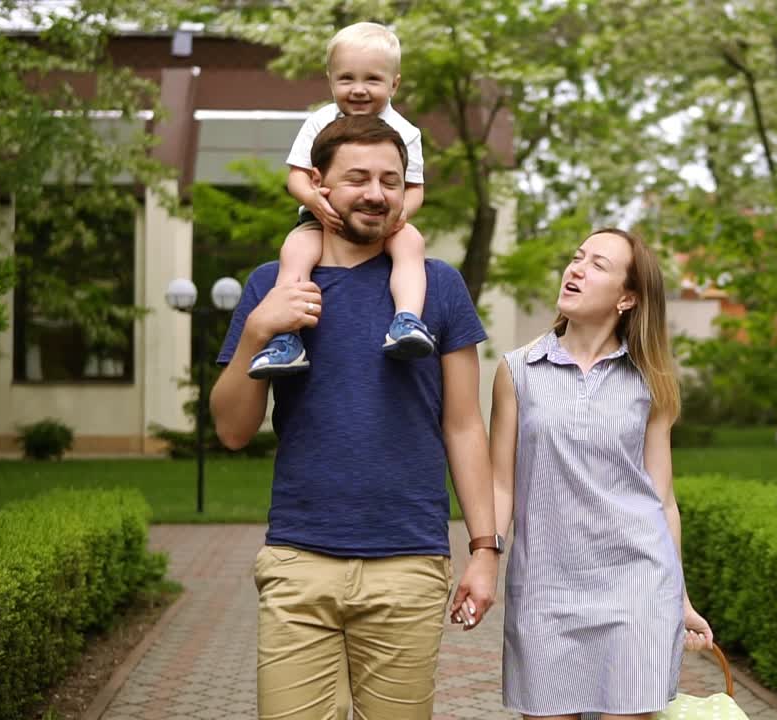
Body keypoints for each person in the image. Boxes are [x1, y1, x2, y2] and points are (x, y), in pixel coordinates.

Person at [211, 114, 501, 720]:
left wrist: (483, 549)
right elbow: (232, 430)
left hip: (408, 562)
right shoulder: (273, 283)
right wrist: (259, 330)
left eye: (391, 181)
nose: (376, 193)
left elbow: (464, 425)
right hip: (299, 562)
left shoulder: (437, 287)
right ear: (319, 184)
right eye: (358, 178)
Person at [467, 228, 714, 720]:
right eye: (577, 258)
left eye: (598, 265)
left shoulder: (651, 381)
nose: (576, 269)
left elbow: (662, 499)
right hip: (544, 592)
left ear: (627, 297)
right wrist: (485, 559)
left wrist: (681, 599)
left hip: (637, 589)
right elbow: (500, 483)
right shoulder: (517, 371)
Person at [248, 21, 434, 379]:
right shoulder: (320, 122)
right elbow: (297, 176)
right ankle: (288, 338)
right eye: (347, 79)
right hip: (322, 218)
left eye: (373, 80)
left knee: (411, 243)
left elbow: (414, 189)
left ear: (394, 83)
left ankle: (407, 320)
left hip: (385, 220)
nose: (359, 90)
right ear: (330, 80)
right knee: (295, 251)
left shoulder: (406, 133)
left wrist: (398, 217)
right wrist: (315, 201)